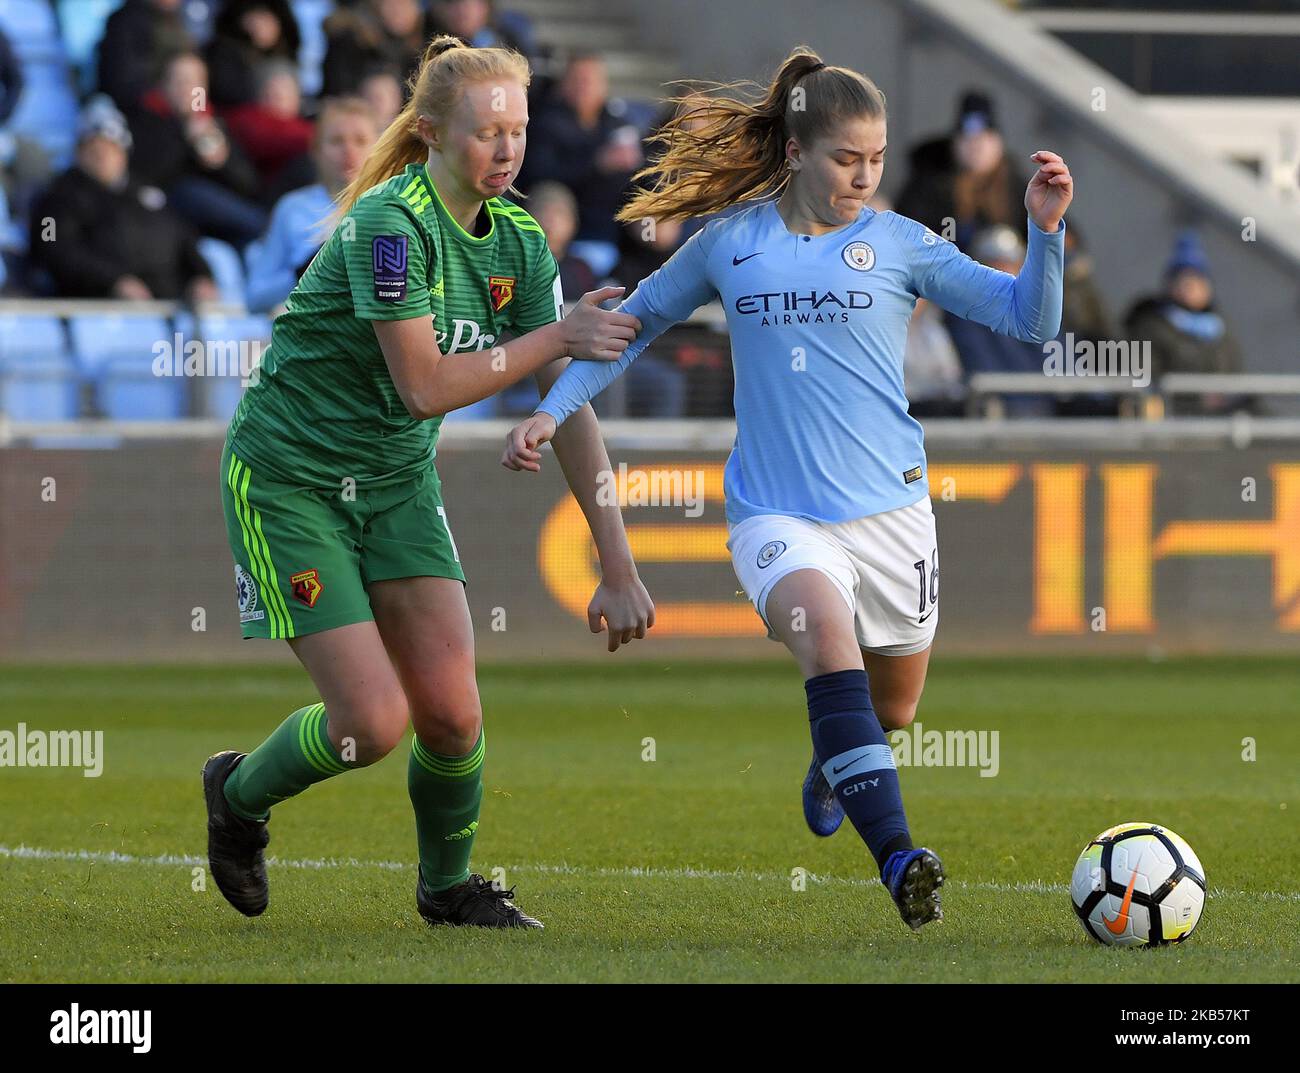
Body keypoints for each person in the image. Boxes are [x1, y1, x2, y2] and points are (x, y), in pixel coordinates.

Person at [503, 47, 1071, 930]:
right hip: (777, 514)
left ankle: (838, 756)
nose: (866, 176)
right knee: (828, 648)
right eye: (849, 159)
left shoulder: (899, 242)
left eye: (877, 160)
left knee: (895, 709)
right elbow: (628, 329)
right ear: (800, 151)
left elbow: (1030, 319)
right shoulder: (731, 244)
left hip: (893, 514)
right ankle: (901, 859)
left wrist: (1046, 231)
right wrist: (553, 411)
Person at [207, 36, 653, 930]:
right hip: (290, 479)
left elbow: (568, 408)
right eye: (489, 131)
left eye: (519, 130)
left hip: (396, 484)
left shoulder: (523, 242)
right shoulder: (389, 225)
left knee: (451, 716)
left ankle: (446, 887)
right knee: (369, 724)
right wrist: (555, 338)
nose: (508, 148)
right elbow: (424, 388)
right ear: (433, 132)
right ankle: (238, 793)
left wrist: (617, 558)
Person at [29, 95, 216, 302]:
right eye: (93, 148)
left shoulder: (149, 193)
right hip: (101, 307)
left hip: (170, 301)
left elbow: (184, 237)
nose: (102, 156)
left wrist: (202, 276)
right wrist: (113, 281)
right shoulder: (57, 198)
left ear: (124, 153)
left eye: (110, 148)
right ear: (79, 153)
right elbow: (52, 248)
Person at [245, 96, 379, 313]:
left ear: (379, 149)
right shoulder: (292, 209)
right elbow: (255, 297)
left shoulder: (393, 208)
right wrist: (303, 272)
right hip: (310, 336)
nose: (349, 150)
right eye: (336, 141)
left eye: (360, 140)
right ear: (315, 150)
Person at [1124, 230, 1247, 416]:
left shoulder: (1220, 328)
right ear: (1169, 285)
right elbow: (1146, 381)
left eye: (1197, 280)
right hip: (1176, 420)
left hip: (1221, 420)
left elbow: (1236, 375)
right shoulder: (1150, 325)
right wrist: (1198, 399)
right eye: (1183, 280)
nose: (1190, 288)